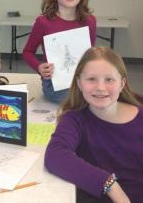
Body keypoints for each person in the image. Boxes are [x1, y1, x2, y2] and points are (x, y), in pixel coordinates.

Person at [44, 47, 143, 203]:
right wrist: (110, 184)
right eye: (91, 79)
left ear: (122, 83)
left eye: (109, 79)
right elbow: (55, 155)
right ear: (79, 82)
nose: (100, 87)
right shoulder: (74, 119)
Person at [23, 0, 96, 103]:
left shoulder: (90, 21)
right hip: (56, 83)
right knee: (82, 99)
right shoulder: (43, 22)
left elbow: (90, 54)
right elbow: (27, 52)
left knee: (111, 90)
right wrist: (39, 67)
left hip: (83, 79)